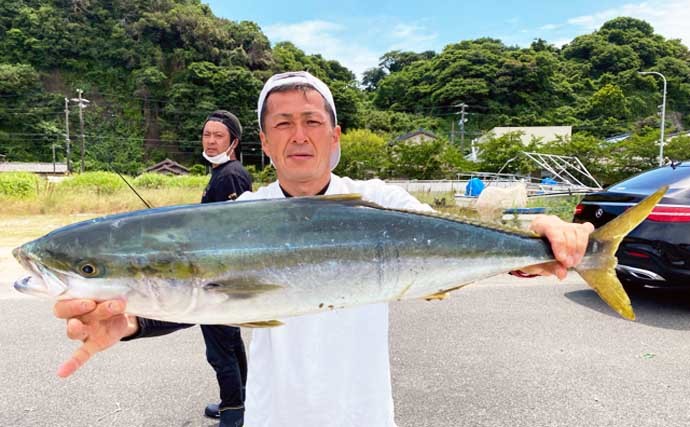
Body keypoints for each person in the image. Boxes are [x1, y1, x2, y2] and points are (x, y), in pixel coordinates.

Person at [53, 71, 594, 427]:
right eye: (282, 124)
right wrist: (132, 323)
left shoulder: (380, 201)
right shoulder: (239, 217)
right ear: (263, 142)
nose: (300, 134)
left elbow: (468, 245)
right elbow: (204, 301)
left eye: (313, 121)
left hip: (364, 416)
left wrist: (547, 232)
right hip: (272, 416)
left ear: (335, 136)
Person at [123, 110, 251, 427]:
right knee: (231, 342)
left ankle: (234, 413)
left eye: (218, 135)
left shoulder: (231, 176)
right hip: (216, 275)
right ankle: (241, 401)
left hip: (216, 279)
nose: (210, 141)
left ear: (233, 141)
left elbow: (232, 232)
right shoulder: (220, 172)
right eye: (206, 134)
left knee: (220, 349)